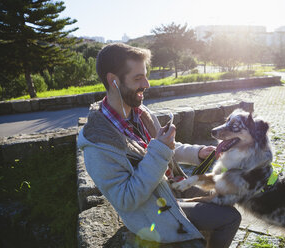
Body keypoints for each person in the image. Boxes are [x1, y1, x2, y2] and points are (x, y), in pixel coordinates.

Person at [77, 43, 241, 248]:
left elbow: (167, 149)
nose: (147, 84)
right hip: (151, 210)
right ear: (114, 81)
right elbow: (126, 199)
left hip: (171, 190)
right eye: (138, 78)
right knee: (229, 218)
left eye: (145, 75)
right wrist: (160, 150)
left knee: (227, 199)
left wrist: (197, 153)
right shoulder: (98, 143)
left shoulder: (140, 113)